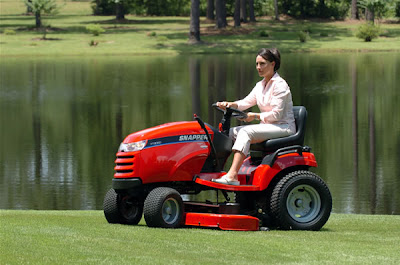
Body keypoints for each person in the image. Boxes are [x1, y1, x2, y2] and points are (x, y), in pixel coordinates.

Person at [212, 48, 296, 185]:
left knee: (245, 132)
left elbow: (276, 115)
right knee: (228, 133)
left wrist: (254, 116)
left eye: (262, 64)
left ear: (273, 64)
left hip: (283, 127)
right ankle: (219, 171)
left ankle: (232, 175)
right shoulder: (260, 85)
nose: (258, 67)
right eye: (257, 64)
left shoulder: (280, 85)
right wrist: (230, 104)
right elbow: (245, 102)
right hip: (269, 126)